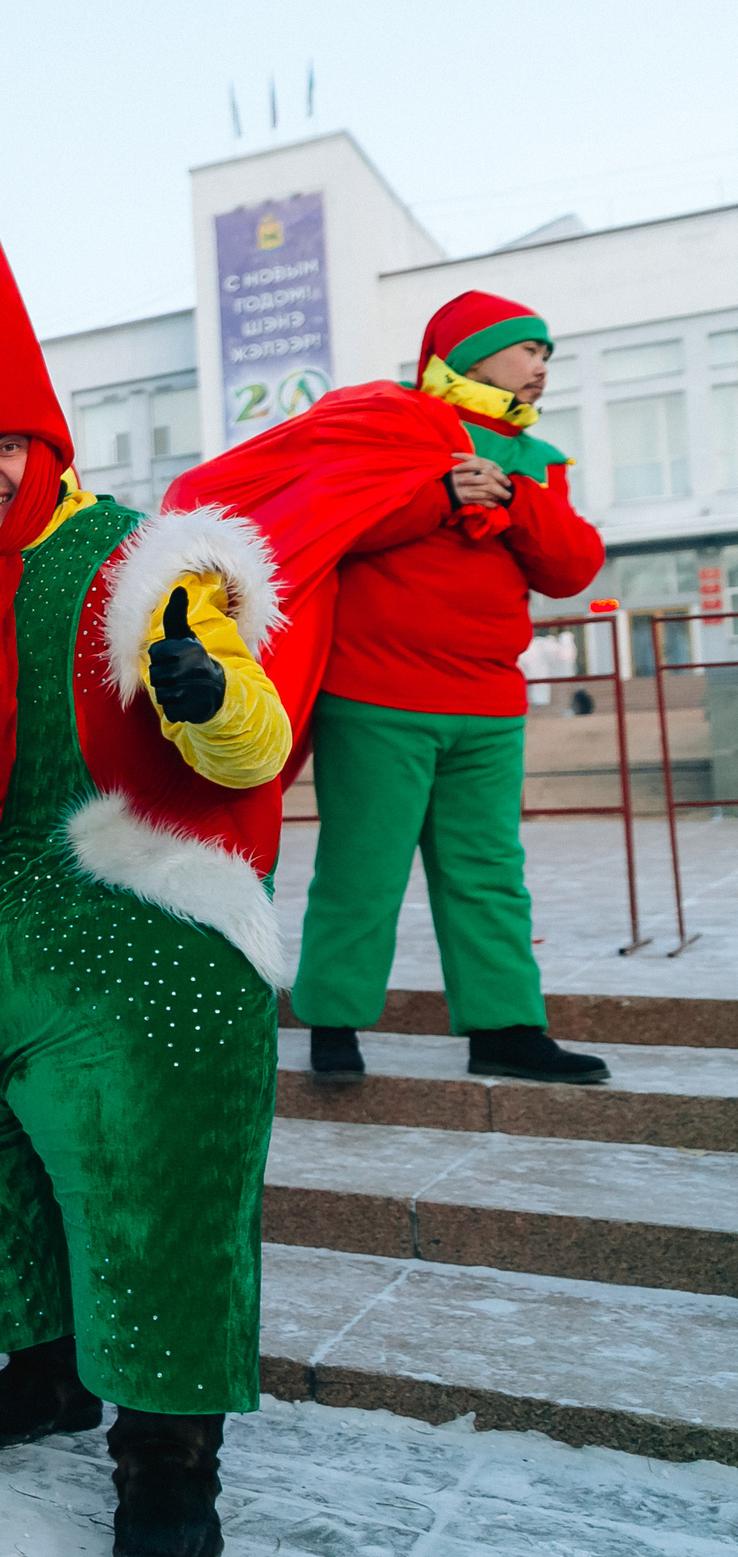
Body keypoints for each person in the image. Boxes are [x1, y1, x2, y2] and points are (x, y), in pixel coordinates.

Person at [0, 152, 295, 1557]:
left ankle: (167, 1449)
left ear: (46, 444)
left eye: (2, 444)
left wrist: (200, 685)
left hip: (123, 932)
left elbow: (253, 745)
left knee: (143, 1187)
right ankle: (50, 1364)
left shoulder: (145, 558)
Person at [184, 294, 607, 1085]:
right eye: (527, 349)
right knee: (361, 868)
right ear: (471, 354)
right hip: (378, 698)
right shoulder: (392, 423)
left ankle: (507, 1028)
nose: (542, 365)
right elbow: (329, 520)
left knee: (488, 871)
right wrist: (441, 495)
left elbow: (574, 566)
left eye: (547, 353)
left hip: (489, 705)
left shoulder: (537, 459)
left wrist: (512, 501)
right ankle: (333, 1025)